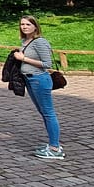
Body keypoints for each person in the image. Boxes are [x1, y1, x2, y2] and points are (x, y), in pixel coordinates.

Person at [13, 15, 64, 160]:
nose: (24, 27)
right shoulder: (25, 41)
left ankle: (55, 148)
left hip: (39, 79)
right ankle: (52, 144)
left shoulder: (40, 42)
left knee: (48, 113)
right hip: (29, 80)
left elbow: (47, 64)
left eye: (28, 24)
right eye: (22, 24)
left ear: (35, 26)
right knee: (43, 112)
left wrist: (23, 59)